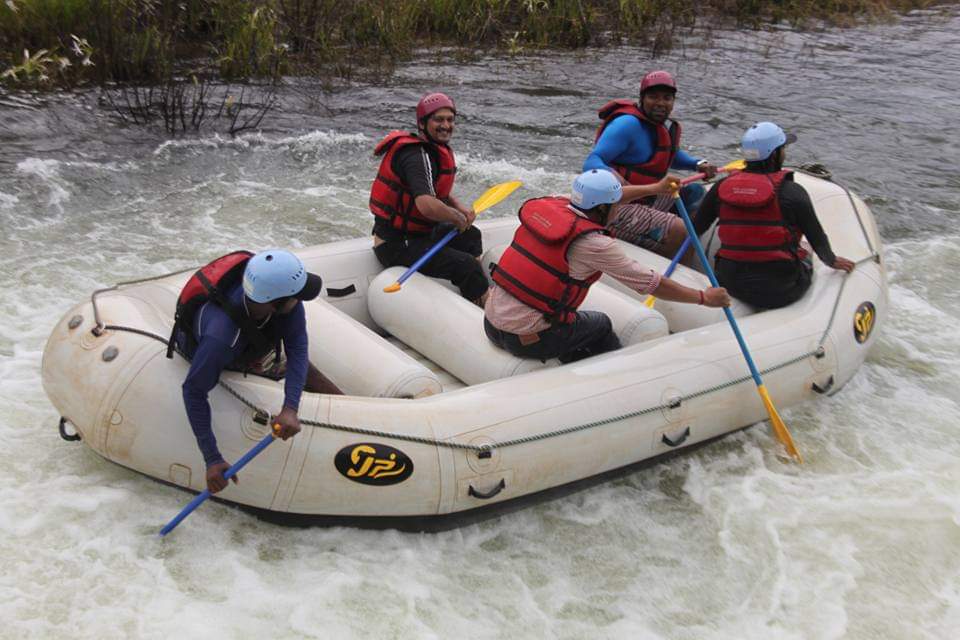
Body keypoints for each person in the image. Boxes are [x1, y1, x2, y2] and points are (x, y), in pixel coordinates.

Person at [484, 169, 730, 363]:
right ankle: (611, 380)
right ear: (602, 208)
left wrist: (656, 188)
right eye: (615, 205)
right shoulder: (595, 244)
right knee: (600, 325)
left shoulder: (556, 205)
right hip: (527, 339)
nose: (619, 209)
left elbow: (611, 198)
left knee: (575, 320)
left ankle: (569, 359)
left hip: (491, 323)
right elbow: (652, 284)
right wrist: (703, 297)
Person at [172, 249, 343, 493]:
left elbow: (298, 348)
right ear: (275, 302)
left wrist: (290, 407)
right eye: (297, 296)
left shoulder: (283, 303)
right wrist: (212, 458)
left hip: (252, 333)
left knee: (306, 370)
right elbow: (193, 391)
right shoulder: (221, 339)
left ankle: (351, 409)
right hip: (210, 353)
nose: (301, 301)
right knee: (290, 368)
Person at [692, 122, 855, 309]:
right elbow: (816, 236)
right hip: (781, 290)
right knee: (805, 249)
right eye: (783, 148)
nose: (785, 152)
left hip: (729, 284)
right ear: (775, 153)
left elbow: (696, 228)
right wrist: (831, 260)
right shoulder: (792, 191)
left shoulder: (721, 187)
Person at [369, 92, 489, 305]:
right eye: (438, 120)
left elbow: (435, 190)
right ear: (423, 124)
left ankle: (475, 295)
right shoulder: (416, 155)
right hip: (396, 244)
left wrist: (459, 208)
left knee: (471, 236)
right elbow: (425, 204)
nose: (446, 125)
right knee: (466, 265)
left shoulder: (430, 151)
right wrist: (456, 218)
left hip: (421, 234)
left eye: (450, 120)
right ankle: (484, 309)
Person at [584, 70, 717, 256]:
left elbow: (670, 155)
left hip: (646, 198)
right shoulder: (626, 125)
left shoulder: (660, 126)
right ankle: (676, 252)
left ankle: (666, 241)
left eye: (667, 98)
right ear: (642, 99)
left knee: (694, 193)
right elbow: (592, 161)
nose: (661, 103)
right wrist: (614, 178)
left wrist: (698, 164)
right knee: (682, 231)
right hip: (615, 206)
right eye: (653, 97)